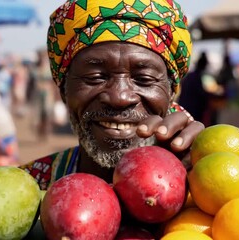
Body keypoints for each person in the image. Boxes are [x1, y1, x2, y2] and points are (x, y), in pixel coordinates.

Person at [20, 0, 205, 190]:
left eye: (143, 79)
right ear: (63, 90)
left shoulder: (202, 192)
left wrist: (194, 183)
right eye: (95, 77)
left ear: (171, 93)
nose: (119, 97)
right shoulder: (26, 192)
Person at [178, 52, 213, 126]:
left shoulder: (191, 76)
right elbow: (199, 92)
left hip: (185, 105)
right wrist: (209, 95)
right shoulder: (195, 77)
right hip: (191, 108)